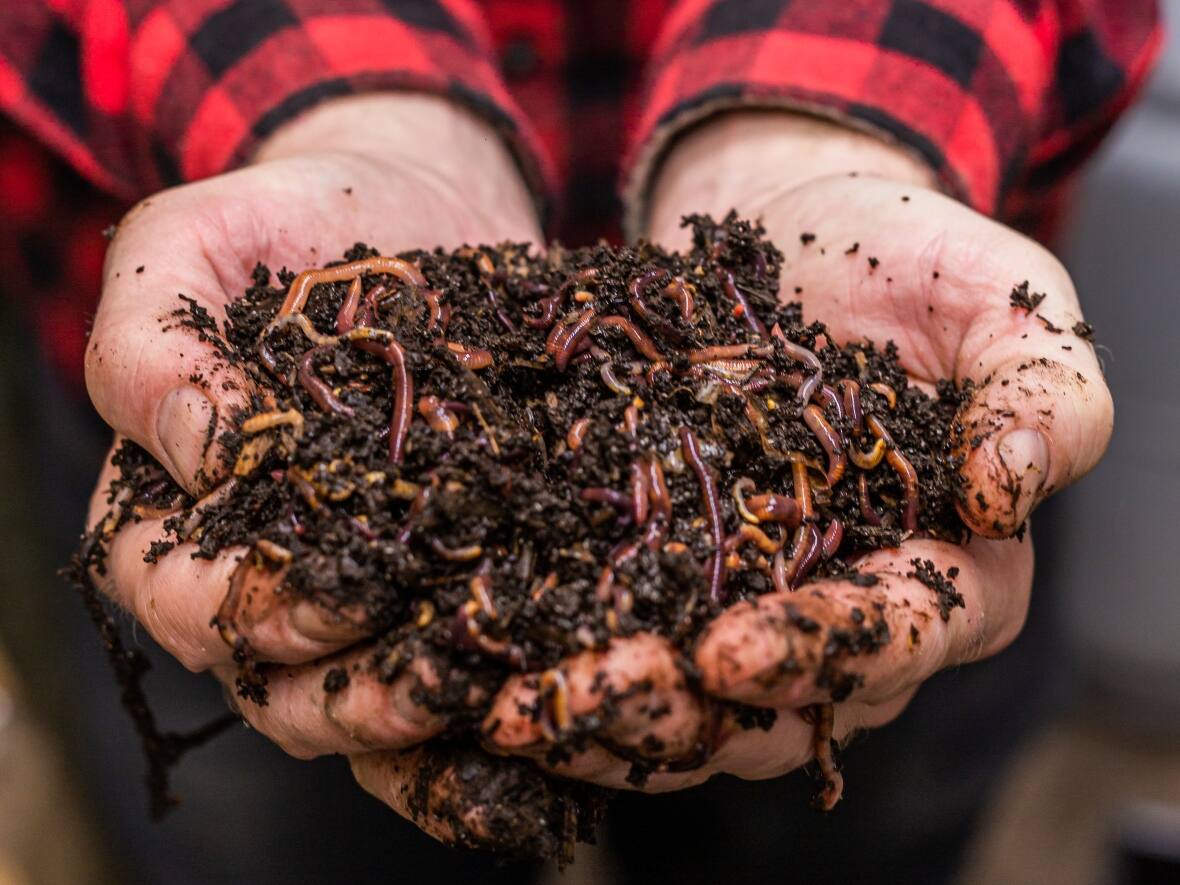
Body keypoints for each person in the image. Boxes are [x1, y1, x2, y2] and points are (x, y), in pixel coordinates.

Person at [0, 2, 1162, 883]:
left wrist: (816, 123)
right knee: (271, 820)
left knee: (849, 811)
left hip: (894, 328)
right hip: (193, 203)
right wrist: (348, 101)